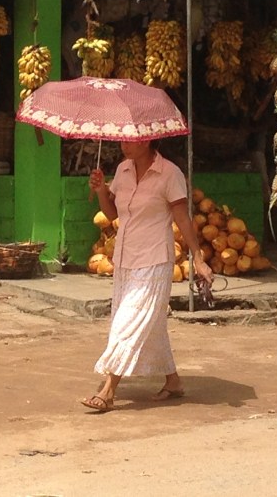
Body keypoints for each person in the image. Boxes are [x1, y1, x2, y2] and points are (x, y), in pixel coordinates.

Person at [81, 139, 214, 412]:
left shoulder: (170, 173)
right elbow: (112, 213)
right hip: (125, 259)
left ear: (148, 139)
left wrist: (198, 258)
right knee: (150, 327)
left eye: (131, 140)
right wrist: (102, 190)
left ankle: (108, 391)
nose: (124, 144)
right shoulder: (123, 171)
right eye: (123, 139)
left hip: (155, 260)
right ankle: (173, 381)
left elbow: (182, 219)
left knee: (127, 322)